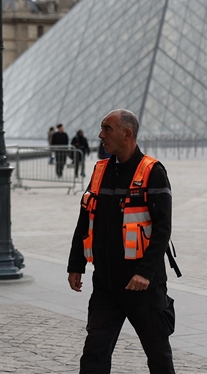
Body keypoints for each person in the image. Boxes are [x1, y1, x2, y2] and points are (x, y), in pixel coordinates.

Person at [68, 110, 177, 374]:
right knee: (94, 353)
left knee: (158, 354)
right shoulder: (100, 169)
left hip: (142, 286)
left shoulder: (153, 171)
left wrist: (145, 273)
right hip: (106, 283)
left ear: (127, 134)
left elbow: (163, 229)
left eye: (107, 128)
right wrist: (76, 265)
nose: (100, 135)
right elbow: (85, 218)